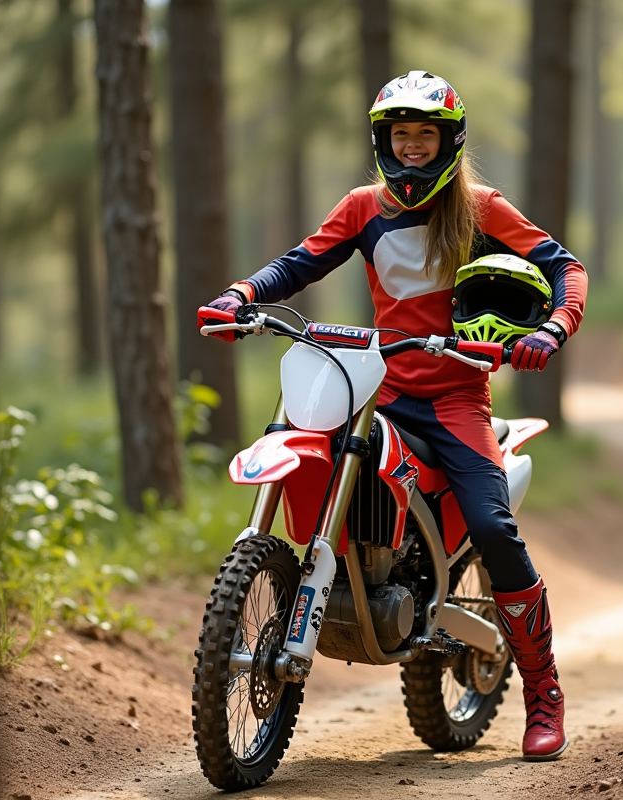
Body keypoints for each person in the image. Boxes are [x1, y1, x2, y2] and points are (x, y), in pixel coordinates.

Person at [202, 70, 587, 761]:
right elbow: (299, 264)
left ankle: (543, 691)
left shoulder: (481, 207)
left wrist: (552, 329)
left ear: (448, 141)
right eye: (400, 135)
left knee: (496, 530)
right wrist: (240, 296)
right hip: (382, 386)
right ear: (384, 141)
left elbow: (566, 266)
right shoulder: (363, 207)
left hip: (457, 397)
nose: (412, 147)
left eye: (425, 135)